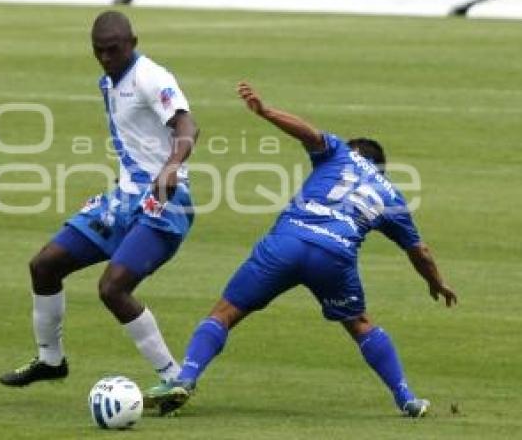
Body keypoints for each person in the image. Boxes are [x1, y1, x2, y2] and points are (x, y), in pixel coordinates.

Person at [145, 81, 457, 417]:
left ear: (354, 151)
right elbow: (419, 251)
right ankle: (407, 398)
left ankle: (186, 377)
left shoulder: (339, 152)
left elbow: (309, 134)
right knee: (360, 324)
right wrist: (436, 283)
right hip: (334, 257)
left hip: (287, 242)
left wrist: (265, 111)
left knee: (225, 313)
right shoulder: (391, 195)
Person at [0, 11, 198, 387]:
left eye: (113, 50)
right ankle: (50, 360)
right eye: (99, 51)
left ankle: (174, 379)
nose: (106, 58)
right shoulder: (109, 82)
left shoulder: (150, 77)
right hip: (124, 199)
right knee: (44, 266)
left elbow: (187, 124)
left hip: (166, 201)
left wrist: (171, 166)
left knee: (113, 289)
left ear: (132, 43)